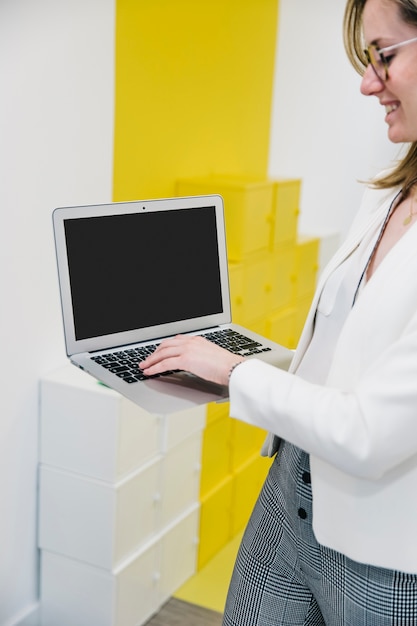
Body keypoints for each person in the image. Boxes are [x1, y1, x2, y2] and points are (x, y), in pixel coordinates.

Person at [140, 0, 417, 622]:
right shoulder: (390, 193)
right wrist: (231, 365)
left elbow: (372, 434)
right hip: (291, 487)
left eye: (384, 56)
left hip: (386, 556)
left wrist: (238, 374)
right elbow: (352, 356)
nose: (368, 82)